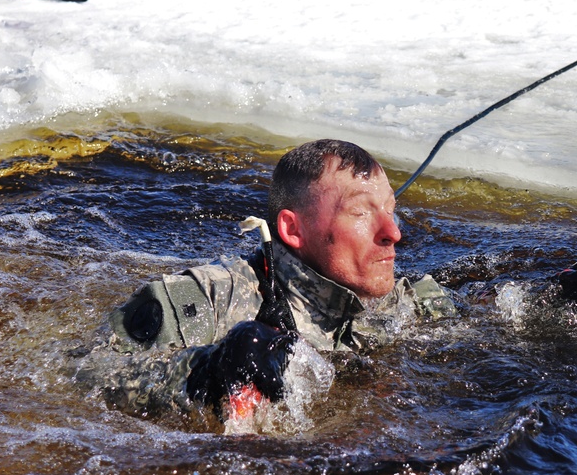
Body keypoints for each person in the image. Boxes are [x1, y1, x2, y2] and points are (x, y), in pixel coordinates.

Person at [104, 139, 456, 419]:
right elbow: (90, 374)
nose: (393, 232)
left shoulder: (407, 303)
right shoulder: (207, 300)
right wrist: (205, 373)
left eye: (391, 211)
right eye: (361, 211)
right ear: (292, 228)